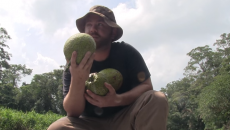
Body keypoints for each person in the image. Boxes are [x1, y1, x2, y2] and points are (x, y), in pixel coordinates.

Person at [48, 5, 168, 130]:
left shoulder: (126, 52)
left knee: (157, 98)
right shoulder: (75, 62)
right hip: (89, 123)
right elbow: (73, 112)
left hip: (125, 119)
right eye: (89, 25)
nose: (93, 29)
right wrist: (77, 79)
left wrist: (117, 100)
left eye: (100, 24)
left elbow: (147, 87)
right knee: (58, 128)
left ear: (113, 32)